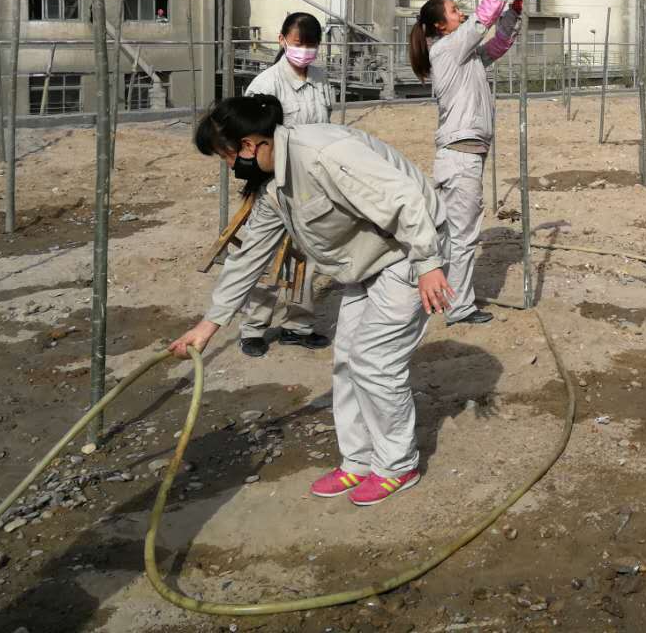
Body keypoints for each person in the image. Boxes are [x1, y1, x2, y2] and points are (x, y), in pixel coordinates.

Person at [169, 95, 454, 507]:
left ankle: (397, 465)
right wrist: (208, 325)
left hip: (407, 251)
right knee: (347, 359)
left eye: (227, 156)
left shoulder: (323, 154)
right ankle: (359, 461)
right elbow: (249, 256)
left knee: (375, 360)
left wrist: (428, 263)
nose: (230, 166)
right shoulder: (275, 186)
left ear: (250, 144)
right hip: (367, 261)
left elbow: (404, 197)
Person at [409, 0, 530, 326]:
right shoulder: (447, 49)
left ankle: (438, 296)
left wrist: (516, 6)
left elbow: (500, 42)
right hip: (460, 159)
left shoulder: (466, 56)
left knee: (450, 235)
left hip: (462, 156)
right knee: (462, 237)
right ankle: (459, 308)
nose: (459, 13)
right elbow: (482, 20)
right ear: (440, 25)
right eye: (453, 11)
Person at [225, 11, 335, 357]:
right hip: (273, 185)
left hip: (312, 184)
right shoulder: (265, 85)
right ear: (283, 41)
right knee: (264, 256)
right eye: (299, 43)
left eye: (312, 44)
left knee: (307, 256)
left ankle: (297, 326)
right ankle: (253, 328)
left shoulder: (321, 78)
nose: (305, 51)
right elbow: (247, 142)